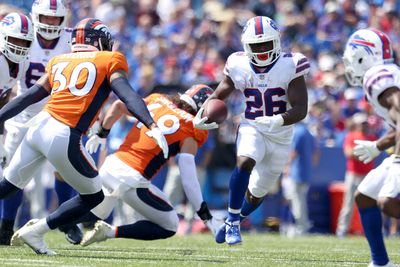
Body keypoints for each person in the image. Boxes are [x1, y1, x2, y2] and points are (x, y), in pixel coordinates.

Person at [0, 18, 168, 255]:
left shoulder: (59, 60)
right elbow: (127, 96)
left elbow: (26, 97)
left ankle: (37, 231)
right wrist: (151, 123)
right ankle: (36, 231)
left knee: (7, 186)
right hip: (62, 133)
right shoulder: (110, 59)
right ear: (98, 41)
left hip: (36, 127)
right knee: (94, 196)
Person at [193, 16, 309, 245]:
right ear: (247, 46)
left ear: (276, 41)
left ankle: (230, 220)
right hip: (252, 124)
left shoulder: (291, 63)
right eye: (257, 46)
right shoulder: (238, 63)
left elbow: (301, 109)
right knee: (245, 161)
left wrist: (278, 120)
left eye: (267, 43)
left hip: (281, 134)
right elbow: (220, 94)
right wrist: (202, 112)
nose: (263, 50)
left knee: (257, 192)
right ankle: (234, 224)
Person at [77, 85, 220, 246]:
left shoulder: (158, 99)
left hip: (111, 165)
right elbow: (188, 180)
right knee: (170, 225)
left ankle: (46, 224)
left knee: (92, 213)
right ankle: (110, 232)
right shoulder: (192, 128)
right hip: (132, 178)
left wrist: (102, 134)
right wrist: (205, 215)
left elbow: (118, 106)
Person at [0, 0, 81, 246]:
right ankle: (6, 225)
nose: (50, 23)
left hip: (60, 114)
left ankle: (66, 220)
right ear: (36, 16)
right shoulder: (21, 36)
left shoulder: (72, 41)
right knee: (15, 174)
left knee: (65, 170)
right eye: (45, 18)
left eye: (54, 18)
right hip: (22, 116)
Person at [342, 28, 399, 267]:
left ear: (365, 55)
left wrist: (396, 156)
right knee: (364, 196)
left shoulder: (378, 75)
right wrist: (378, 146)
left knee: (388, 202)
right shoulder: (384, 74)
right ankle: (380, 263)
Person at [336, 112, 376, 238]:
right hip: (353, 174)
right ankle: (342, 230)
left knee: (370, 204)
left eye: (366, 123)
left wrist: (358, 154)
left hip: (367, 175)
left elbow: (372, 155)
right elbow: (348, 153)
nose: (364, 126)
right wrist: (364, 154)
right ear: (357, 124)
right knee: (348, 204)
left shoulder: (372, 138)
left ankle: (369, 231)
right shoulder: (351, 136)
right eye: (362, 123)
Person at [283, 119, 317, 237]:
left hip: (297, 173)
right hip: (305, 172)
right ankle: (303, 225)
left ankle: (301, 227)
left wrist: (287, 166)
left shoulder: (297, 132)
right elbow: (316, 154)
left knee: (297, 201)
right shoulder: (308, 132)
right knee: (301, 200)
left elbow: (294, 152)